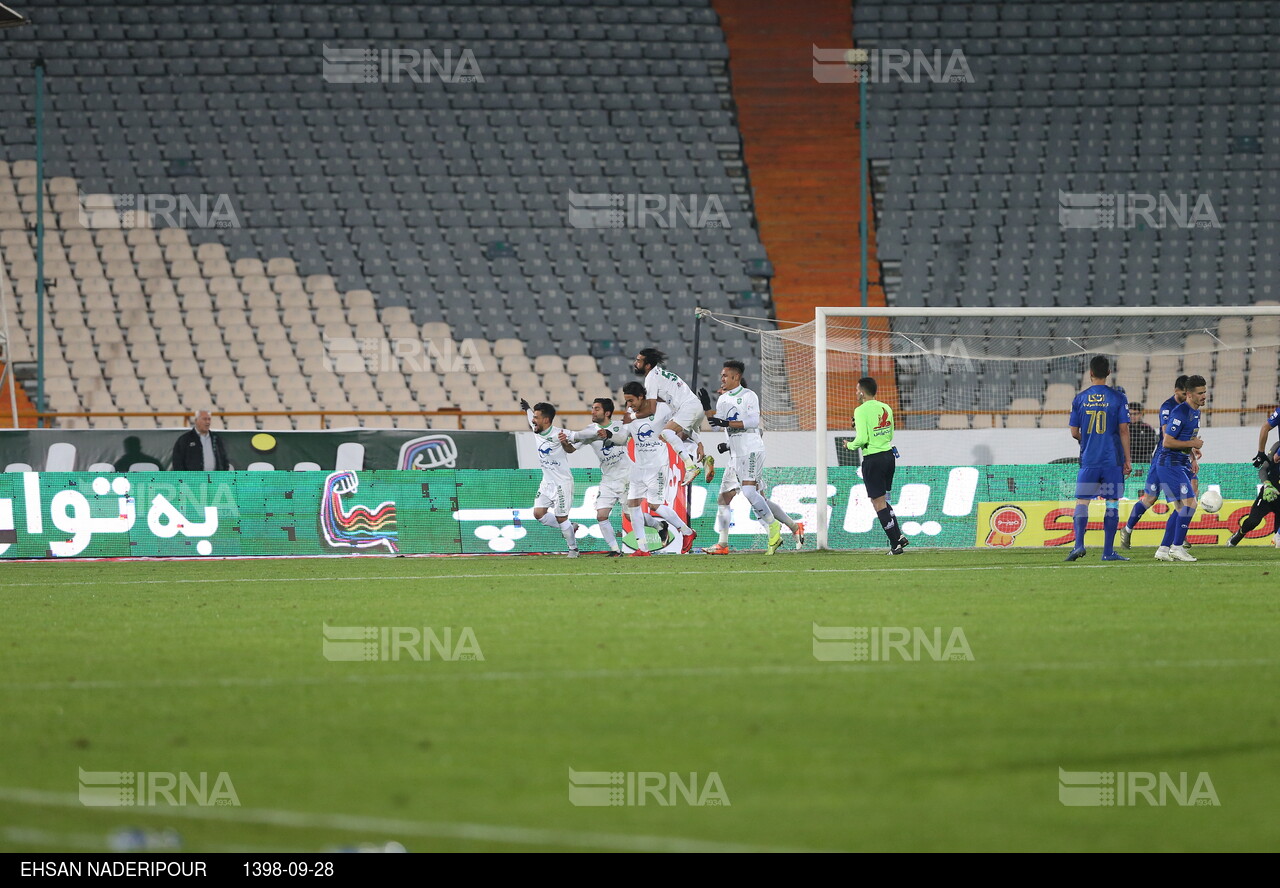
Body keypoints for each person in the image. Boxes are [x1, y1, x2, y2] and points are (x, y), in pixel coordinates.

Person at [698, 359, 804, 555]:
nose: (721, 379)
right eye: (721, 375)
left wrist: (727, 424)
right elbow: (716, 425)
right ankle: (723, 544)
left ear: (736, 377)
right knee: (725, 498)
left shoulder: (748, 395)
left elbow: (753, 421)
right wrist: (707, 407)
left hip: (751, 450)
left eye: (725, 375)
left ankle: (773, 527)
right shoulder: (722, 399)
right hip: (735, 457)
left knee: (749, 492)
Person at [1065, 356, 1132, 562]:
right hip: (1112, 460)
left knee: (1082, 502)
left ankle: (1078, 546)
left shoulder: (1080, 398)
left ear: (1090, 373)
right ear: (1109, 373)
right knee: (1112, 503)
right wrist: (1127, 459)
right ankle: (1108, 552)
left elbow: (1074, 432)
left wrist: (1088, 441)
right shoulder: (1118, 398)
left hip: (1089, 461)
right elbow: (1123, 429)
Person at [620, 381, 696, 556]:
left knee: (654, 505)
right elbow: (623, 436)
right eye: (627, 401)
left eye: (631, 400)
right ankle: (643, 549)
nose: (629, 405)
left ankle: (686, 532)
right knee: (633, 505)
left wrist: (697, 441)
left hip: (658, 466)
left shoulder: (662, 409)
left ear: (641, 397)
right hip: (639, 466)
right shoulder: (630, 415)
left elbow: (684, 423)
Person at [1119, 376, 1187, 548]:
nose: (1187, 396)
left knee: (1179, 501)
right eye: (1184, 393)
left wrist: (1192, 453)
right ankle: (1127, 529)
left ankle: (1178, 538)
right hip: (1163, 459)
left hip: (1177, 459)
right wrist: (1191, 446)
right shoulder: (1167, 407)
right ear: (1176, 390)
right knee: (1151, 498)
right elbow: (1166, 436)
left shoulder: (1188, 409)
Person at [844, 376, 907, 554]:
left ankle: (895, 545)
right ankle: (899, 536)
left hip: (874, 458)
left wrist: (849, 445)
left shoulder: (860, 410)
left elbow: (862, 439)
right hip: (889, 456)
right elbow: (890, 433)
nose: (856, 392)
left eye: (857, 390)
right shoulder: (885, 407)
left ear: (862, 392)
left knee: (878, 503)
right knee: (883, 500)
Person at [560, 397, 629, 557]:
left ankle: (659, 526)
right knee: (601, 515)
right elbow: (570, 449)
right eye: (592, 408)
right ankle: (615, 550)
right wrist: (564, 442)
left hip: (627, 476)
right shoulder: (590, 431)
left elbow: (627, 438)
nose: (592, 411)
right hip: (608, 479)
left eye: (596, 409)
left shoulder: (620, 427)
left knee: (631, 516)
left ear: (607, 413)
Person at [1154, 375, 1207, 562]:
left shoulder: (1196, 413)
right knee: (1190, 504)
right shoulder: (1180, 412)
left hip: (1179, 463)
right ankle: (1177, 547)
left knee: (1180, 509)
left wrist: (1192, 453)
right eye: (1200, 393)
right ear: (1190, 395)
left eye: (1205, 392)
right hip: (1170, 464)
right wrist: (1193, 442)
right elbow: (1167, 441)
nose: (1204, 396)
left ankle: (1163, 549)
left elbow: (1183, 440)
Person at [631, 348, 705, 480]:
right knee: (679, 435)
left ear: (647, 365)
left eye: (638, 361)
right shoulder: (660, 373)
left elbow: (651, 409)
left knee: (665, 433)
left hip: (687, 408)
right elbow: (661, 398)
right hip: (695, 407)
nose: (635, 363)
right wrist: (700, 443)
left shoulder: (651, 378)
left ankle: (691, 467)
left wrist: (632, 416)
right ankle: (704, 458)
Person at [522, 399, 580, 558]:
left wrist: (567, 443)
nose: (533, 420)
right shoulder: (537, 430)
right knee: (538, 514)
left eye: (536, 417)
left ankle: (573, 549)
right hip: (546, 483)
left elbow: (574, 443)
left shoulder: (560, 433)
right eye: (533, 417)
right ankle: (570, 527)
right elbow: (530, 418)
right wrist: (527, 408)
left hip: (562, 483)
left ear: (546, 420)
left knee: (562, 517)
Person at [1229, 442, 1280, 547]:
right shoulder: (1277, 447)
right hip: (1269, 493)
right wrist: (1267, 484)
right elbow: (1263, 469)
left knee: (1278, 540)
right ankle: (1238, 535)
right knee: (1253, 521)